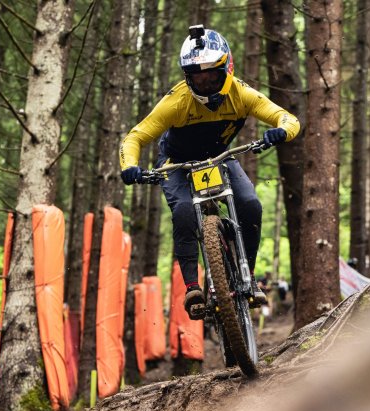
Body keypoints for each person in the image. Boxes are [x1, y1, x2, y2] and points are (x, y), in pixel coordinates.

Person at [119, 25, 300, 321]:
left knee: (250, 204)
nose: (204, 84)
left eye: (211, 76)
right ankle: (193, 288)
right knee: (184, 212)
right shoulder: (176, 101)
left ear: (226, 69)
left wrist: (280, 131)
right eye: (197, 78)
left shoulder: (241, 93)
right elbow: (134, 137)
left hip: (219, 157)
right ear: (187, 77)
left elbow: (287, 118)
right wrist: (129, 166)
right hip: (176, 162)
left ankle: (248, 274)